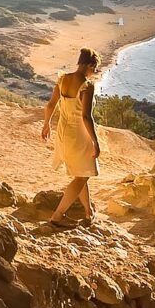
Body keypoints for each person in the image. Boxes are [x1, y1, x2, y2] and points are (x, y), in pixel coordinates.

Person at [41, 47, 102, 226]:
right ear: (90, 65)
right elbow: (86, 116)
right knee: (82, 176)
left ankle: (88, 212)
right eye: (95, 69)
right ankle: (58, 216)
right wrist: (95, 140)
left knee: (81, 172)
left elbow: (51, 104)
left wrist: (46, 125)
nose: (94, 73)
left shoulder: (62, 79)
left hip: (63, 131)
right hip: (79, 134)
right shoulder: (87, 86)